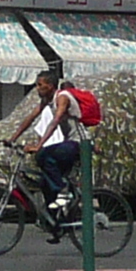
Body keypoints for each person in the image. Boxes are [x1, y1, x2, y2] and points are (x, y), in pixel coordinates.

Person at [12, 60, 84, 211]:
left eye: (39, 84)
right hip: (68, 143)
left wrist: (39, 145)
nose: (37, 88)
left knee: (43, 155)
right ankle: (56, 223)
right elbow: (30, 118)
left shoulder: (62, 97)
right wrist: (12, 139)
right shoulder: (47, 100)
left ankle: (63, 190)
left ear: (50, 86)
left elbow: (55, 120)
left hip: (77, 143)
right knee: (45, 182)